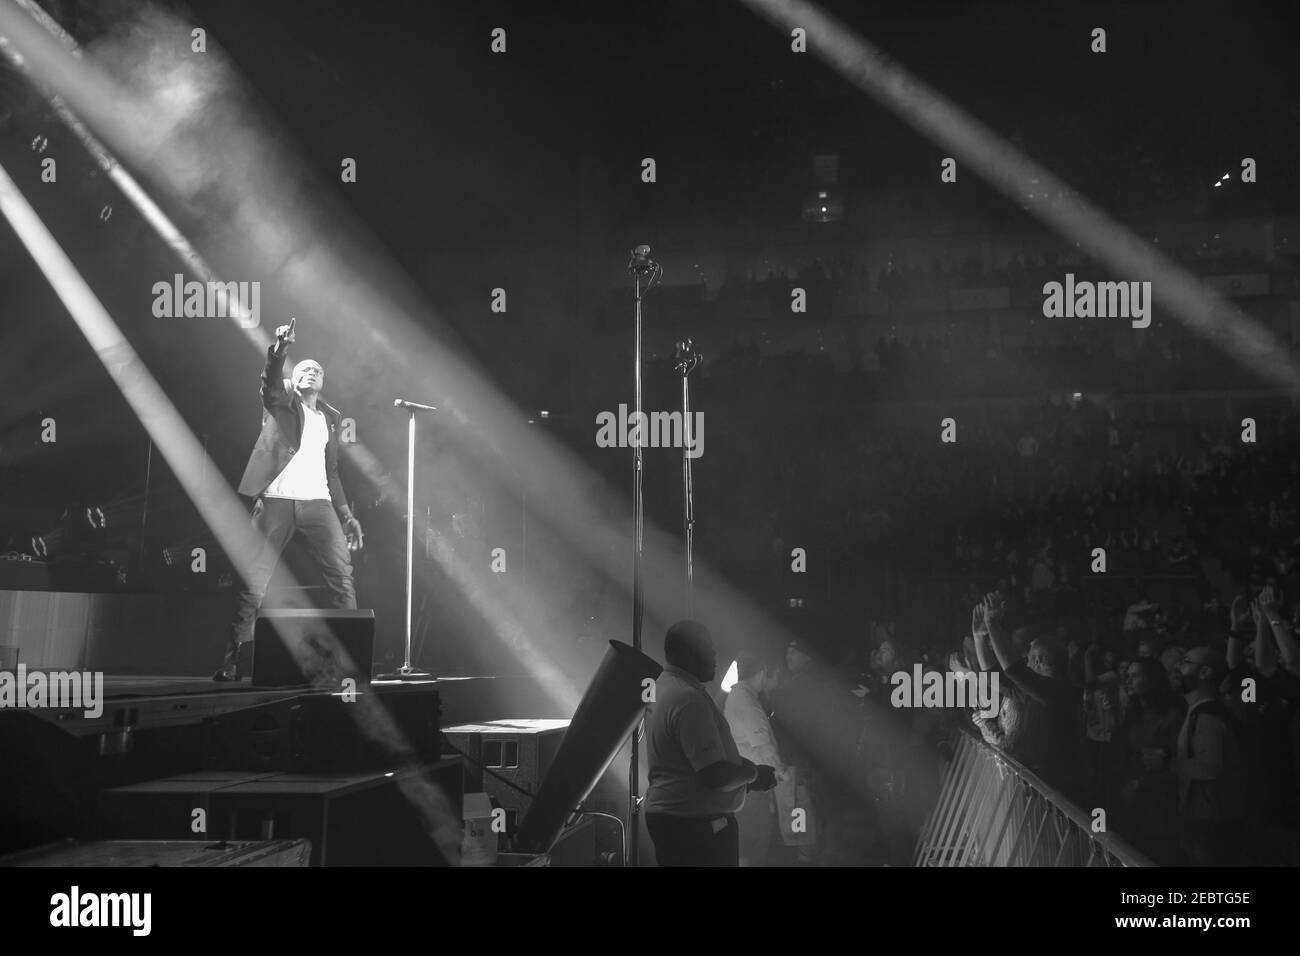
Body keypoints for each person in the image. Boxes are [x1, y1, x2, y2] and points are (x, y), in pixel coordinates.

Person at [215, 319, 365, 681]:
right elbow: (269, 382)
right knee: (254, 584)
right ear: (294, 379)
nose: (311, 372)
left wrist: (346, 514)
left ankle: (350, 661)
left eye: (317, 370)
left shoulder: (329, 418)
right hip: (276, 502)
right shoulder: (280, 401)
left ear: (323, 382)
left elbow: (332, 472)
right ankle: (233, 662)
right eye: (304, 368)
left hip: (318, 504)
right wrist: (280, 349)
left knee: (342, 580)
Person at [644, 621, 776, 866]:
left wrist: (748, 780)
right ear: (687, 652)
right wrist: (753, 773)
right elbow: (715, 776)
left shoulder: (664, 686)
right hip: (696, 829)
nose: (715, 654)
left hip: (675, 820)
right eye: (707, 647)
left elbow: (690, 766)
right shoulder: (688, 699)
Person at [723, 651, 786, 866]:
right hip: (756, 784)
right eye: (774, 675)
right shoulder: (747, 703)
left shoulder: (736, 697)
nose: (776, 682)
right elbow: (765, 747)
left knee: (745, 847)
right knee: (754, 846)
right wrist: (782, 773)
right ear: (762, 673)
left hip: (745, 783)